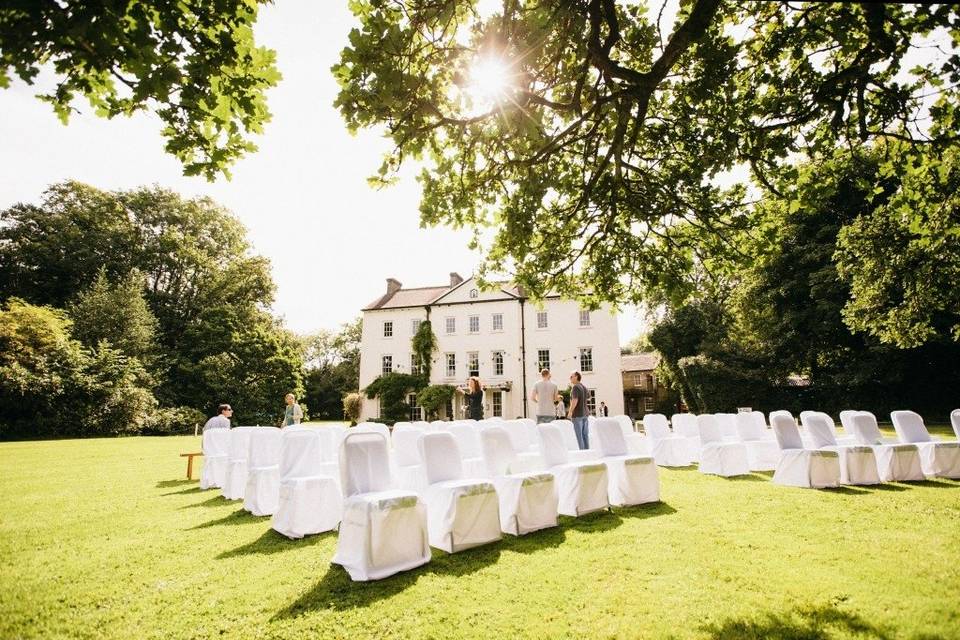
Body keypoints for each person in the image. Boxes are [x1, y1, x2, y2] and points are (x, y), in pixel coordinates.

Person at [567, 372, 589, 449]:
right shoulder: (584, 387)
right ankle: (587, 453)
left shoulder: (575, 387)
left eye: (571, 376)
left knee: (579, 436)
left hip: (577, 415)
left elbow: (574, 401)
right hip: (585, 414)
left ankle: (582, 454)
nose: (570, 378)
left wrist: (570, 411)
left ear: (576, 377)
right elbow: (588, 397)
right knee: (585, 435)